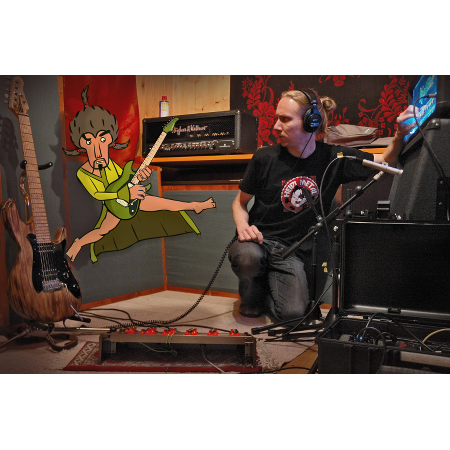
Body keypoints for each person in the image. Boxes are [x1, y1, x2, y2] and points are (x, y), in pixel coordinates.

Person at [228, 88, 416, 322]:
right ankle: (251, 298)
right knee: (248, 258)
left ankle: (266, 291)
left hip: (292, 252)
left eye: (285, 119)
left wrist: (400, 134)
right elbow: (239, 203)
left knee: (293, 314)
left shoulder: (335, 158)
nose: (275, 126)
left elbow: (387, 160)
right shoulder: (264, 157)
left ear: (311, 122)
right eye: (277, 118)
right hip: (259, 242)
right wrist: (243, 227)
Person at [64, 86, 215, 263]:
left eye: (102, 139)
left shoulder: (111, 164)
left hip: (125, 200)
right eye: (89, 141)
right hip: (113, 204)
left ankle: (194, 206)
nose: (98, 148)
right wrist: (124, 194)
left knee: (163, 204)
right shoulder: (84, 172)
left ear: (110, 139)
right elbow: (98, 194)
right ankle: (79, 243)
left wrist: (138, 178)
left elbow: (124, 179)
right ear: (81, 143)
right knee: (102, 231)